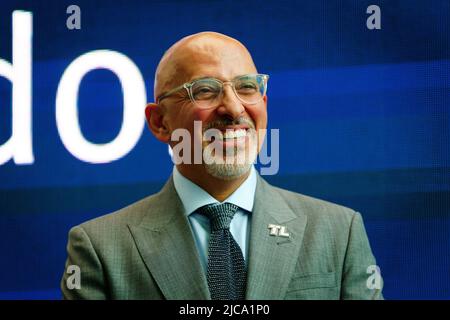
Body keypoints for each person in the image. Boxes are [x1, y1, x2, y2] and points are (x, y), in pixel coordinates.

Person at [61, 32, 383, 300]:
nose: (233, 108)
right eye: (204, 91)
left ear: (264, 103)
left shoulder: (340, 232)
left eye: (246, 87)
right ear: (160, 122)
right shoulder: (101, 249)